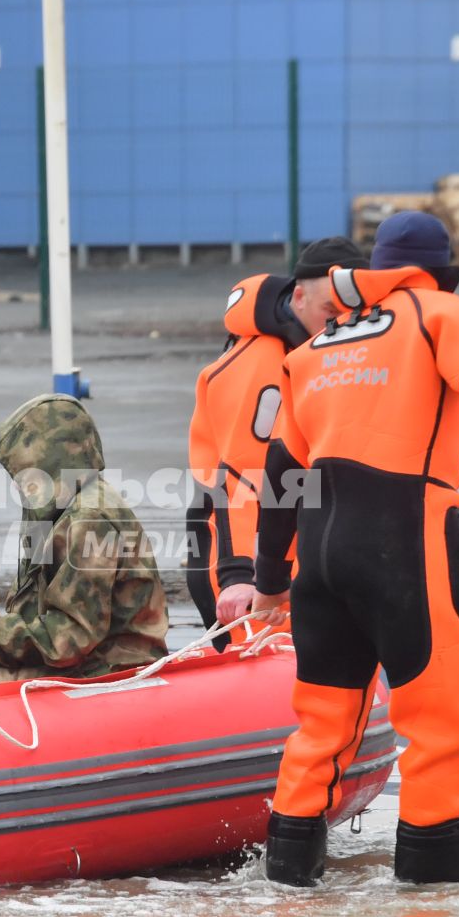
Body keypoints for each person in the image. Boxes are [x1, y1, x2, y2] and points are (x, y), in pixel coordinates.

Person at [248, 211, 459, 886]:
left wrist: (269, 581)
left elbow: (282, 472)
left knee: (321, 729)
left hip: (319, 557)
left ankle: (287, 887)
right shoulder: (441, 314)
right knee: (437, 731)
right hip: (403, 542)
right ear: (443, 272)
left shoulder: (318, 345)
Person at [0, 394, 167, 691]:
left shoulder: (87, 519)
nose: (17, 481)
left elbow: (71, 637)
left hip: (108, 666)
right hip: (88, 657)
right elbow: (37, 609)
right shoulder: (63, 507)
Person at [189, 237, 370, 637]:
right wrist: (238, 574)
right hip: (241, 554)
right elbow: (236, 474)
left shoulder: (322, 351)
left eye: (351, 313)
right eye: (329, 311)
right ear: (300, 297)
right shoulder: (263, 362)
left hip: (293, 547)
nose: (339, 323)